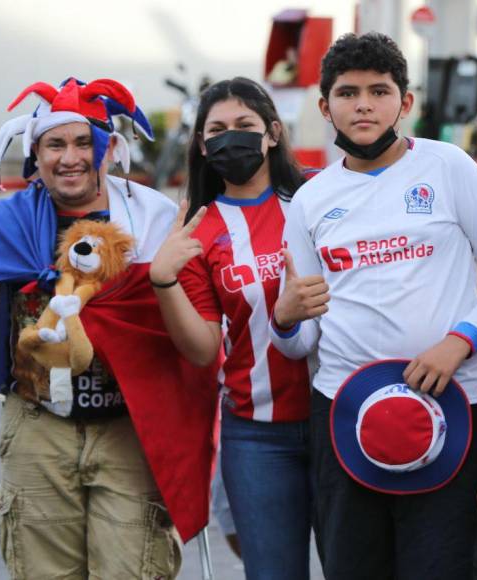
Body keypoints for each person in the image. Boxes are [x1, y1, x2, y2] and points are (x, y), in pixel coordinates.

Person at [0, 77, 219, 579]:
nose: (70, 158)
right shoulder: (9, 221)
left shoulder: (153, 219)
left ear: (107, 148)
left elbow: (200, 316)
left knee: (135, 570)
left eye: (84, 142)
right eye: (55, 144)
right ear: (35, 155)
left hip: (131, 426)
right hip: (38, 426)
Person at [270, 32, 477, 579]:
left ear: (405, 102)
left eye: (379, 91)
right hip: (345, 414)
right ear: (326, 106)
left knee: (448, 569)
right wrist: (284, 319)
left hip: (450, 404)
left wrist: (461, 341)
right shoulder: (310, 200)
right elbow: (303, 338)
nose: (364, 105)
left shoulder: (449, 168)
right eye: (348, 93)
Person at [149, 77, 314, 580]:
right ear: (202, 144)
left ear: (272, 133)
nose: (231, 137)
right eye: (217, 129)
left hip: (339, 418)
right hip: (257, 435)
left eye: (244, 125)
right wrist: (163, 279)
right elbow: (201, 349)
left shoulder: (318, 200)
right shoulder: (199, 229)